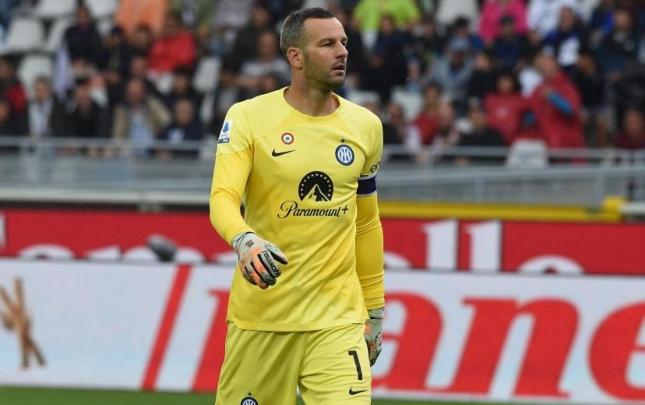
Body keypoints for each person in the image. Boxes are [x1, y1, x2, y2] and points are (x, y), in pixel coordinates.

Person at [209, 8, 384, 404]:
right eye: (328, 44)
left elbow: (366, 224)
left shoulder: (366, 127)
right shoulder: (248, 118)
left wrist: (374, 309)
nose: (342, 52)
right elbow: (223, 198)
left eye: (344, 43)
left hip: (337, 322)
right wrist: (245, 240)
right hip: (263, 319)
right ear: (296, 56)